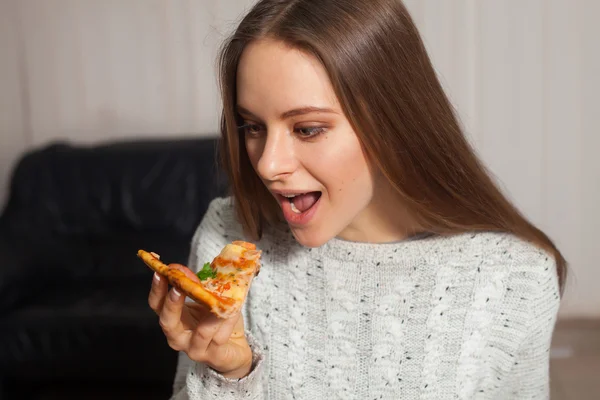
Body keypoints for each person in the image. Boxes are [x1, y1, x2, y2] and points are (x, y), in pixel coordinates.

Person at [148, 0, 567, 398]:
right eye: (253, 126)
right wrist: (231, 375)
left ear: (392, 121)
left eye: (307, 128)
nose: (268, 164)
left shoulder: (516, 275)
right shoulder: (230, 235)